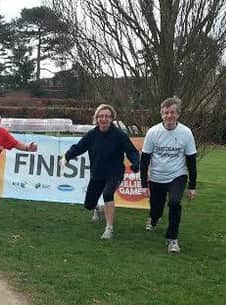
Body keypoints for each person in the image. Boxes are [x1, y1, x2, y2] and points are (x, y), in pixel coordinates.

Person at [63, 104, 140, 239]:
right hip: (97, 173)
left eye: (107, 116)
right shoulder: (92, 135)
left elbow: (132, 151)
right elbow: (79, 147)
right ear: (97, 118)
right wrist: (67, 156)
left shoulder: (119, 135)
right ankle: (98, 209)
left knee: (107, 194)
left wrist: (135, 162)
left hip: (114, 173)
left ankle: (109, 228)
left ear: (111, 119)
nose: (104, 119)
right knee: (89, 205)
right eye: (101, 116)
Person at [140, 96, 197, 254]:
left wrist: (192, 186)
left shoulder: (186, 133)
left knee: (174, 202)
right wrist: (144, 184)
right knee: (156, 208)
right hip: (157, 177)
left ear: (178, 114)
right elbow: (144, 160)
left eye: (172, 112)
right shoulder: (153, 132)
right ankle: (153, 218)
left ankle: (172, 239)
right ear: (161, 114)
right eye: (166, 113)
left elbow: (191, 160)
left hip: (177, 176)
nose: (169, 116)